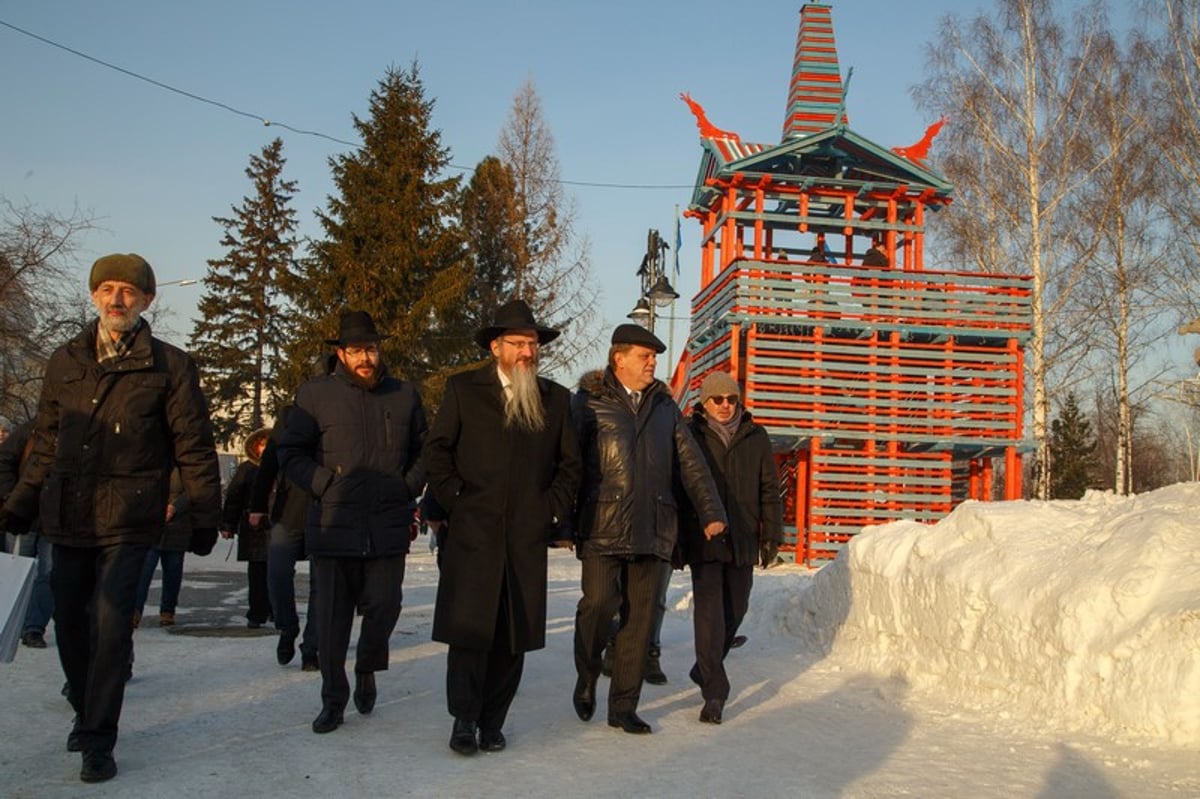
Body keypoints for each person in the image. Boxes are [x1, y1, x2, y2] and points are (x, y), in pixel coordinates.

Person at [0, 253, 221, 783]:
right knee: (70, 621)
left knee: (110, 621)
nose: (117, 298)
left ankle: (99, 737)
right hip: (68, 511)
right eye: (108, 289)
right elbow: (47, 441)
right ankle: (83, 702)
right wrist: (21, 502)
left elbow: (193, 444)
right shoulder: (65, 360)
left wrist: (205, 512)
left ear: (147, 300)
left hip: (131, 515)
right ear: (95, 296)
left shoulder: (170, 365)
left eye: (128, 290)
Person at [423, 299, 582, 755]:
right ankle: (463, 719)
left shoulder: (555, 398)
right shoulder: (463, 390)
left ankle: (494, 721)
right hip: (473, 535)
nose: (527, 353)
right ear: (496, 347)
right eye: (517, 344)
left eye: (532, 344)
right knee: (469, 633)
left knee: (513, 639)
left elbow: (570, 466)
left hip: (524, 540)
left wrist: (547, 508)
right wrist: (458, 499)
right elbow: (437, 452)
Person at [571, 324, 727, 735]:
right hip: (602, 524)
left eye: (655, 357)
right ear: (618, 358)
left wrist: (711, 510)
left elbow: (691, 463)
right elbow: (568, 463)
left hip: (654, 526)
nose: (652, 363)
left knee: (639, 623)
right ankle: (587, 676)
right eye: (645, 356)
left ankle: (623, 707)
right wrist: (562, 519)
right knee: (599, 606)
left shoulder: (665, 407)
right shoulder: (588, 403)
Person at [277, 310, 427, 735]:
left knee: (385, 605)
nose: (366, 357)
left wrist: (407, 486)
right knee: (330, 621)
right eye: (357, 350)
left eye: (372, 349)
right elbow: (290, 453)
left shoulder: (404, 395)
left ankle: (367, 666)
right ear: (341, 353)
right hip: (333, 524)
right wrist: (324, 484)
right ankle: (332, 699)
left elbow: (425, 448)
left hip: (387, 523)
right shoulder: (314, 394)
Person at [681, 371, 783, 724]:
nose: (725, 406)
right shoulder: (691, 435)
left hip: (742, 537)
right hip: (705, 538)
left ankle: (704, 666)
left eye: (731, 399)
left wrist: (771, 534)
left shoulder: (755, 436)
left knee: (736, 608)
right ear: (704, 403)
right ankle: (714, 691)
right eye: (717, 400)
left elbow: (769, 488)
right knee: (709, 615)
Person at [250, 397, 327, 670]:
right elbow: (270, 459)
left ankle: (312, 647)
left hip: (328, 510)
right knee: (278, 573)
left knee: (324, 584)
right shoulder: (290, 415)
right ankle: (287, 627)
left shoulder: (344, 409)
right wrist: (257, 505)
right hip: (288, 510)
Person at [1, 420, 54, 648]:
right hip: (24, 514)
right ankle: (8, 623)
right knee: (16, 572)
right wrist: (13, 497)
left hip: (54, 520)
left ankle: (33, 627)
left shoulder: (76, 432)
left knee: (49, 575)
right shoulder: (29, 430)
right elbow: (4, 461)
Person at [220, 428, 272, 628]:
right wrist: (228, 524)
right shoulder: (247, 469)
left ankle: (276, 609)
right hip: (254, 527)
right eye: (262, 444)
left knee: (280, 571)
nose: (264, 448)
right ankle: (257, 612)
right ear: (255, 446)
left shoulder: (283, 466)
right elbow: (234, 497)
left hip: (278, 524)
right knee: (257, 571)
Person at [133, 469, 191, 628]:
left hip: (177, 528)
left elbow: (193, 490)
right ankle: (134, 611)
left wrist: (175, 507)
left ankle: (168, 611)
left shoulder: (183, 468)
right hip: (151, 527)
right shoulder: (152, 461)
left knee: (173, 573)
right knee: (143, 572)